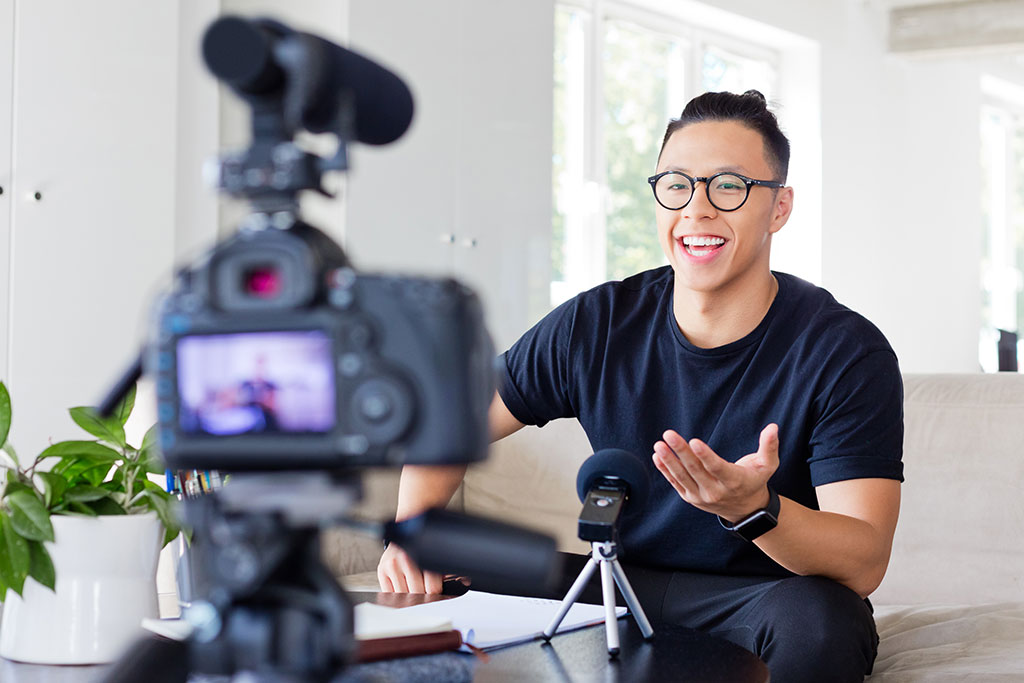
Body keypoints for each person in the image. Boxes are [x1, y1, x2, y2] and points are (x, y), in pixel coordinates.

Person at [377, 90, 903, 682]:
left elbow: (863, 561)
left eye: (729, 186)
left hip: (766, 599)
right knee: (443, 577)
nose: (697, 210)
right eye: (677, 184)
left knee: (823, 622)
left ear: (779, 207)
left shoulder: (844, 349)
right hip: (616, 585)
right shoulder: (597, 322)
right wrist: (413, 529)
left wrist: (752, 508)